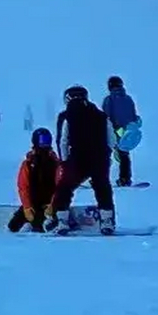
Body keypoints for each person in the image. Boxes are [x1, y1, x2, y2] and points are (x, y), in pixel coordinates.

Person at [52, 84, 117, 234]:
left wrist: (65, 161)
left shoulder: (66, 115)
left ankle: (62, 220)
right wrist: (106, 154)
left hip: (78, 158)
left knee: (65, 188)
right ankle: (106, 220)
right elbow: (112, 139)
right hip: (99, 158)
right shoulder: (100, 115)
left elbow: (63, 140)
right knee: (102, 188)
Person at [5, 128, 62, 233]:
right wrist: (27, 207)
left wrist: (53, 205)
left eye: (47, 140)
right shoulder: (28, 163)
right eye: (42, 140)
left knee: (39, 227)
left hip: (50, 204)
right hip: (33, 204)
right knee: (12, 227)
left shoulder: (55, 162)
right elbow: (23, 186)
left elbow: (60, 185)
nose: (45, 144)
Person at [103, 76, 141, 187]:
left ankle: (100, 178)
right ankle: (126, 178)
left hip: (114, 130)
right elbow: (133, 116)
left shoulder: (109, 99)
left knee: (105, 154)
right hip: (126, 131)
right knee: (124, 154)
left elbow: (106, 117)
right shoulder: (129, 99)